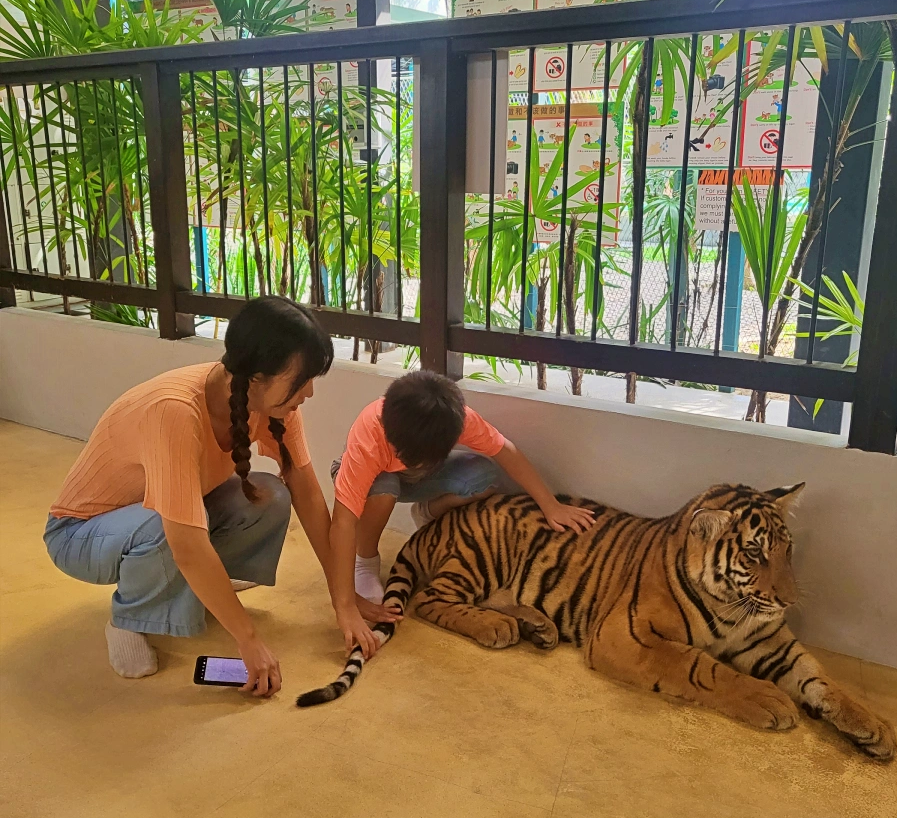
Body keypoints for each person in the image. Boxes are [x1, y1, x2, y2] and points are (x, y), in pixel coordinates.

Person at [43, 296, 393, 695]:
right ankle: (130, 619)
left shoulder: (274, 407)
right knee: (170, 525)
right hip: (80, 534)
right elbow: (187, 544)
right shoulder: (174, 411)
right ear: (256, 376)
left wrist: (344, 599)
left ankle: (197, 588)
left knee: (270, 495)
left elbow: (309, 497)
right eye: (301, 380)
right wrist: (248, 638)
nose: (309, 393)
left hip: (148, 519)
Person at [329, 372, 595, 634]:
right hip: (378, 480)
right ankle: (366, 560)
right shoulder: (369, 437)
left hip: (422, 477)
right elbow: (343, 521)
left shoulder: (455, 418)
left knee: (484, 476)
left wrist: (551, 505)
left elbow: (506, 450)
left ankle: (427, 513)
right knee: (384, 488)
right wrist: (346, 604)